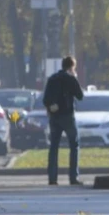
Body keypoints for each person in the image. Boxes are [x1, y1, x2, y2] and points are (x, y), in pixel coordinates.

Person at [43, 56, 84, 186]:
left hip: (54, 116)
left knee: (54, 146)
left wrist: (51, 106)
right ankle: (73, 177)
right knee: (74, 145)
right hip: (67, 115)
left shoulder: (52, 79)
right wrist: (75, 79)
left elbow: (45, 99)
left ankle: (52, 178)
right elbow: (80, 96)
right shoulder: (71, 79)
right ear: (72, 67)